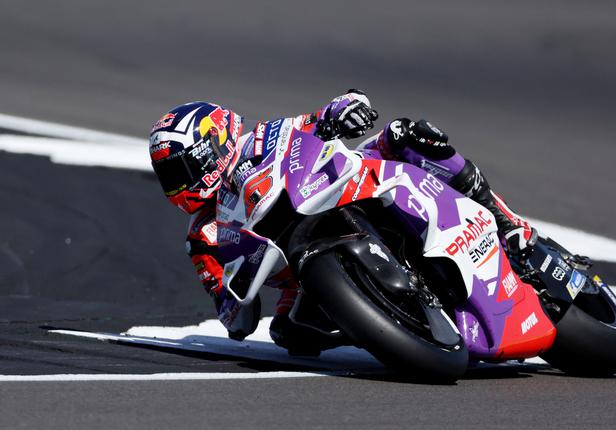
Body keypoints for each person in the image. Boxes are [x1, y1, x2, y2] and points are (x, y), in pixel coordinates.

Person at [148, 91, 536, 354]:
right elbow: (236, 320)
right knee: (290, 333)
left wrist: (347, 109)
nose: (177, 185)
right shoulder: (203, 236)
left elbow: (322, 118)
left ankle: (506, 221)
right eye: (168, 177)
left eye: (180, 170)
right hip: (298, 275)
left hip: (345, 190)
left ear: (211, 146)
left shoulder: (263, 137)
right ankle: (391, 328)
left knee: (408, 136)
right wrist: (232, 301)